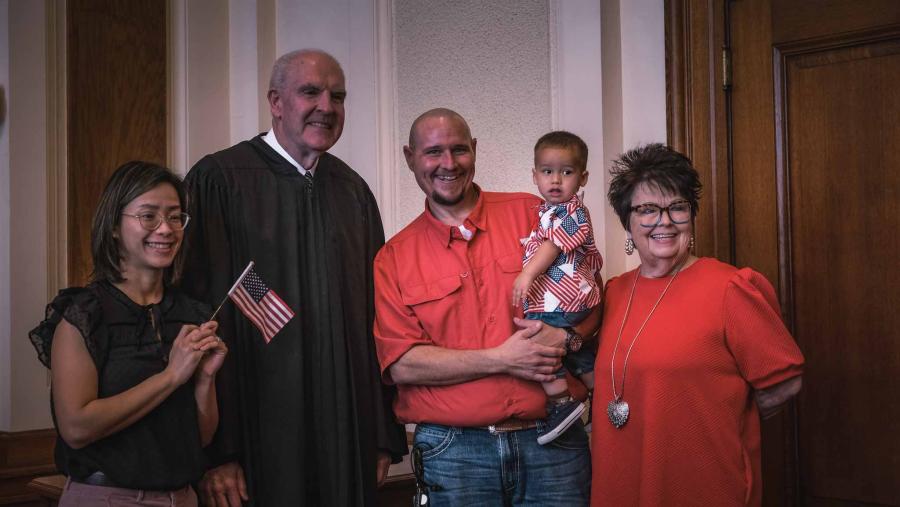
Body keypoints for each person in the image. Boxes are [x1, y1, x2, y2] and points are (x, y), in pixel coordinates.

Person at [181, 49, 407, 506]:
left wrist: (380, 435)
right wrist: (217, 453)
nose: (327, 106)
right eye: (311, 92)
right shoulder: (221, 180)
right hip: (256, 439)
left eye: (338, 96)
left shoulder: (352, 192)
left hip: (344, 433)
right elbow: (197, 312)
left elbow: (378, 318)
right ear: (276, 102)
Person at [374, 108, 597, 506]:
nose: (448, 163)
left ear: (474, 151)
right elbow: (401, 364)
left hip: (555, 441)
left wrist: (566, 337)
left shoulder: (535, 214)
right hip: (453, 453)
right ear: (410, 158)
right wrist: (501, 358)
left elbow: (589, 296)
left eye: (459, 149)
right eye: (433, 152)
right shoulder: (394, 257)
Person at [591, 143, 805, 506]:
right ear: (626, 221)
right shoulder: (614, 291)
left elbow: (783, 383)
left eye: (678, 207)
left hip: (702, 484)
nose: (665, 221)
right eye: (647, 210)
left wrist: (717, 412)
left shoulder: (730, 288)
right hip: (621, 481)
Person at [28, 161, 227, 506]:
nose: (166, 228)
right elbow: (76, 428)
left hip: (182, 497)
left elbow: (201, 437)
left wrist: (205, 380)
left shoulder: (192, 313)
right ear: (115, 226)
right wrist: (171, 376)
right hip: (106, 496)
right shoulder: (84, 314)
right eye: (148, 216)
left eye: (176, 216)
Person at [511, 131, 603, 444]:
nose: (556, 180)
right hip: (568, 298)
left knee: (539, 345)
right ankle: (607, 400)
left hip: (566, 298)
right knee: (580, 358)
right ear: (534, 175)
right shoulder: (545, 211)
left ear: (583, 177)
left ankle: (561, 405)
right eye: (547, 171)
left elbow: (552, 246)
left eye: (567, 172)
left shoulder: (572, 211)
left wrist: (527, 275)